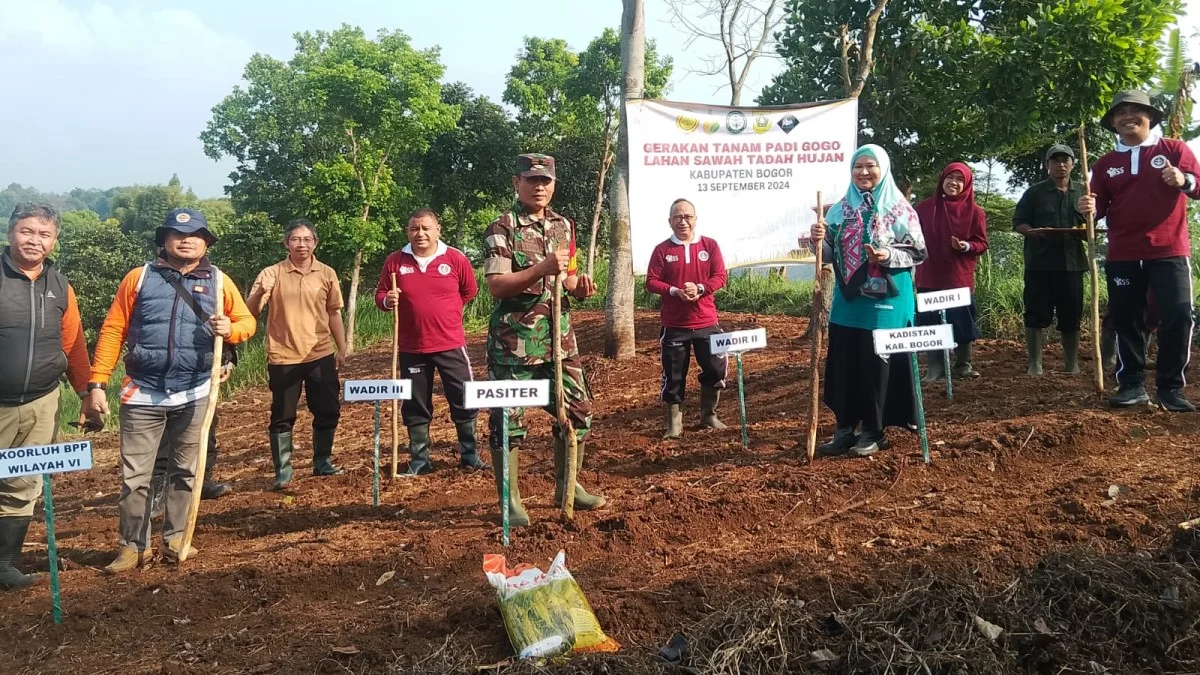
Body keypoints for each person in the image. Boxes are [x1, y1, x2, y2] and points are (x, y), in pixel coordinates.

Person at [84, 208, 255, 571]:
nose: (186, 239)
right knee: (135, 477)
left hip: (195, 391)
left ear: (205, 241)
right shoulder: (138, 277)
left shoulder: (220, 282)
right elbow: (114, 329)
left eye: (195, 234)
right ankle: (132, 547)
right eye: (178, 234)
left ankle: (177, 539)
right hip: (142, 392)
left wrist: (232, 329)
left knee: (185, 471)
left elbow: (247, 322)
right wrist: (98, 382)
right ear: (164, 240)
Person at [482, 153, 605, 526]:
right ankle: (511, 501)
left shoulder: (563, 226)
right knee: (508, 423)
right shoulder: (501, 228)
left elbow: (565, 279)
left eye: (545, 181)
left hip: (559, 341)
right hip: (514, 344)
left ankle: (568, 485)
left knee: (579, 411)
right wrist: (541, 268)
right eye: (531, 180)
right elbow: (497, 285)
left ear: (553, 184)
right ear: (516, 183)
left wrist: (579, 288)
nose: (539, 187)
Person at [1078, 90, 1200, 411]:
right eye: (1121, 113)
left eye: (1136, 111)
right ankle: (1131, 384)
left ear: (1150, 118)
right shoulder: (1105, 163)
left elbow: (1198, 185)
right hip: (1123, 253)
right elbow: (1099, 206)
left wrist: (1183, 178)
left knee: (1178, 315)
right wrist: (1088, 206)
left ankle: (1171, 388)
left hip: (1170, 250)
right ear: (1113, 123)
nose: (1128, 117)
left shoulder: (1173, 149)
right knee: (1127, 318)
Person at [810, 145, 927, 457]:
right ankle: (844, 428)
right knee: (844, 363)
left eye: (870, 166)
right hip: (849, 301)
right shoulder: (838, 211)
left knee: (878, 366)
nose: (863, 172)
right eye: (857, 166)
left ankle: (874, 430)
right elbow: (829, 255)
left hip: (887, 302)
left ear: (883, 169)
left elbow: (918, 252)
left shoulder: (900, 210)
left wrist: (885, 254)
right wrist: (817, 241)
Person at [0, 204, 91, 590]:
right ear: (10, 233)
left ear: (54, 241)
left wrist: (88, 392)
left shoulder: (60, 285)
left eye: (44, 234)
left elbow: (73, 343)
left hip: (41, 403)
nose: (34, 240)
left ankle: (4, 565)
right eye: (27, 231)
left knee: (22, 483)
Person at [375, 209, 482, 474]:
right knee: (416, 403)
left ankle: (470, 457)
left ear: (438, 230)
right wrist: (388, 300)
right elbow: (380, 294)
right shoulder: (395, 261)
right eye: (414, 229)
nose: (420, 234)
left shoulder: (455, 258)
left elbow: (470, 290)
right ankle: (420, 461)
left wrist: (447, 312)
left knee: (463, 397)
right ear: (407, 231)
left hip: (450, 343)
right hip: (412, 347)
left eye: (425, 228)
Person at [246, 219, 348, 489]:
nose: (301, 244)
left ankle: (322, 462)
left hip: (320, 353)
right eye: (295, 239)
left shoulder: (326, 273)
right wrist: (260, 292)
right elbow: (252, 312)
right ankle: (283, 472)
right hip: (283, 355)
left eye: (307, 239)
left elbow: (334, 312)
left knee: (327, 409)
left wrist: (342, 347)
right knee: (282, 414)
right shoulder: (272, 273)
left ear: (315, 243)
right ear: (286, 243)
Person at [644, 198, 729, 438]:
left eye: (687, 217)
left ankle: (709, 415)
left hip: (706, 322)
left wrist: (701, 288)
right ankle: (674, 424)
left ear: (695, 219)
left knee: (715, 368)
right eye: (677, 217)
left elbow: (721, 276)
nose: (683, 221)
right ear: (670, 221)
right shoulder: (662, 250)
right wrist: (674, 291)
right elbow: (651, 281)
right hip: (674, 324)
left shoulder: (709, 246)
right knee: (673, 375)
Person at [1013, 144, 1089, 375]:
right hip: (1040, 264)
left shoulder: (1084, 193)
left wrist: (1087, 229)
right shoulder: (1034, 193)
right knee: (1035, 313)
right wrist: (1033, 232)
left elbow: (1091, 227)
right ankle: (1035, 363)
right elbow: (1019, 222)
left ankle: (1071, 363)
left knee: (1072, 313)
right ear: (1048, 165)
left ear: (1073, 164)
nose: (1061, 165)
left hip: (1072, 264)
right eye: (1055, 161)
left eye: (1065, 160)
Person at [914, 162, 988, 380]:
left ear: (966, 184)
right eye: (950, 178)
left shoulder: (976, 212)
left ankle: (963, 364)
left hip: (958, 277)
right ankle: (935, 366)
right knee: (930, 320)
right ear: (942, 180)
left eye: (959, 180)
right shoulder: (923, 209)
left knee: (961, 319)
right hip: (929, 274)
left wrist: (965, 246)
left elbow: (981, 243)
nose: (953, 183)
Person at [148, 346, 236, 520]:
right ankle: (159, 489)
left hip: (201, 373)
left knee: (207, 426)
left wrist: (227, 360)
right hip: (162, 374)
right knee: (165, 433)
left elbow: (227, 325)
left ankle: (203, 480)